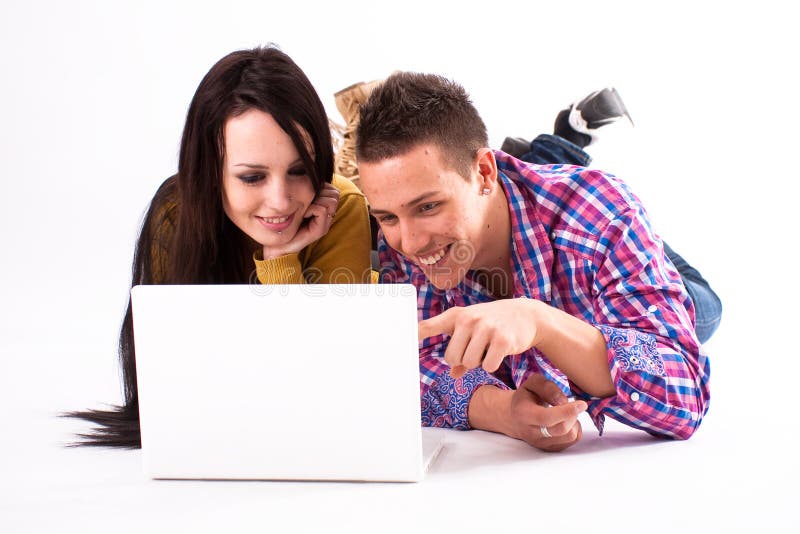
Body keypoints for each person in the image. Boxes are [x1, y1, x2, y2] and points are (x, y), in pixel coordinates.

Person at [355, 72, 714, 452]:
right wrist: (504, 411)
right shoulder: (401, 240)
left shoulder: (602, 217)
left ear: (483, 172)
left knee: (707, 310)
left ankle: (563, 154)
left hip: (619, 250)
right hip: (518, 205)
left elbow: (684, 395)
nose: (407, 243)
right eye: (388, 217)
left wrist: (540, 320)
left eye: (428, 206)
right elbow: (410, 366)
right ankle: (550, 151)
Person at [68, 46, 373, 447]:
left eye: (300, 170)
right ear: (210, 170)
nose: (281, 201)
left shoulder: (341, 207)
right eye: (252, 177)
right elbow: (168, 386)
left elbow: (329, 380)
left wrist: (280, 258)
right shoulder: (177, 212)